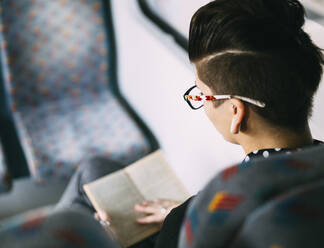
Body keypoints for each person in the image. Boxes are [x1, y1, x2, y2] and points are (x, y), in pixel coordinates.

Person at [56, 0, 324, 247]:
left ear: (235, 112)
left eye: (201, 94)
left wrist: (104, 240)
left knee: (88, 180)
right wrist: (181, 213)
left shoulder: (224, 192)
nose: (202, 103)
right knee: (96, 169)